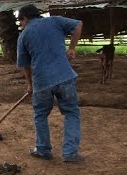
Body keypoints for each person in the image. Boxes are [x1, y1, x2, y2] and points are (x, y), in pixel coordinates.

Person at [17, 4, 84, 162]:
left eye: (21, 21)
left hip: (42, 81)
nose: (21, 24)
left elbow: (25, 66)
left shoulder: (24, 35)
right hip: (65, 77)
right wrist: (72, 48)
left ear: (25, 18)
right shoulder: (55, 21)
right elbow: (78, 24)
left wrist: (30, 84)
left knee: (40, 115)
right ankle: (70, 153)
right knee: (71, 113)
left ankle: (43, 149)